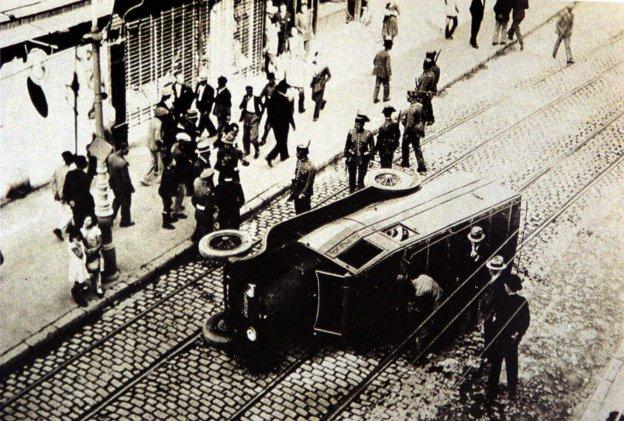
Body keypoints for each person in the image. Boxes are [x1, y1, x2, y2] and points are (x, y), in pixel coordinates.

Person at [485, 274, 530, 400]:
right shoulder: (522, 302)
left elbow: (494, 320)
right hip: (511, 340)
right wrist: (518, 335)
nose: (504, 286)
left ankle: (492, 389)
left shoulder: (502, 300)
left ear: (509, 288)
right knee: (512, 364)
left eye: (505, 285)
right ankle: (512, 389)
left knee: (496, 364)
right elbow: (525, 322)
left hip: (500, 339)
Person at [266, 81, 296, 166]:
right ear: (282, 89)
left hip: (275, 124)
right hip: (284, 124)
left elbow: (269, 112)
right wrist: (293, 124)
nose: (287, 90)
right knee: (282, 141)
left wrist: (270, 123)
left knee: (280, 140)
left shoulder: (273, 97)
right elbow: (289, 114)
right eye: (286, 88)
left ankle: (284, 155)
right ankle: (270, 156)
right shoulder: (284, 99)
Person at [345, 113, 375, 193]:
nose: (356, 126)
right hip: (352, 158)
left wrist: (371, 160)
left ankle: (361, 191)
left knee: (362, 176)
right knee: (352, 176)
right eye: (356, 123)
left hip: (363, 158)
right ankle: (352, 191)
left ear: (362, 125)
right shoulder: (351, 133)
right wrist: (347, 157)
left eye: (358, 124)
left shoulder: (368, 134)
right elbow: (347, 146)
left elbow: (372, 148)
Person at [63, 155, 95, 230]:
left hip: (75, 203)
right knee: (89, 221)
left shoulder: (69, 174)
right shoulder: (85, 176)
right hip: (86, 201)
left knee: (78, 222)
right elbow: (92, 170)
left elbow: (65, 190)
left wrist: (70, 200)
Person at [107, 147, 135, 227]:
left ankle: (111, 218)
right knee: (126, 203)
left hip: (114, 183)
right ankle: (125, 221)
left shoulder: (111, 157)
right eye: (127, 150)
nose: (128, 152)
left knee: (117, 201)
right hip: (123, 186)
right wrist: (131, 187)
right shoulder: (122, 163)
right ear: (122, 150)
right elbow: (125, 178)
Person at [399, 91, 427, 173]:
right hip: (418, 130)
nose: (407, 98)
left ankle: (405, 163)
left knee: (404, 145)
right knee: (417, 148)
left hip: (411, 132)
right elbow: (424, 118)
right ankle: (421, 166)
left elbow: (409, 124)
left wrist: (405, 133)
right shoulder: (420, 106)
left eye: (408, 97)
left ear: (411, 98)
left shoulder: (410, 109)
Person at [141, 106, 167, 186]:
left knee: (153, 161)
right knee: (159, 162)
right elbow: (157, 138)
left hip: (150, 144)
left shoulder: (152, 121)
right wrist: (163, 144)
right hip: (156, 146)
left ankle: (145, 177)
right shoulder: (159, 123)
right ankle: (157, 178)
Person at [52, 151, 75, 241]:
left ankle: (70, 227)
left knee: (67, 211)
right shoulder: (70, 171)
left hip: (61, 194)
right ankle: (58, 229)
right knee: (70, 213)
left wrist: (55, 192)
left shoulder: (59, 169)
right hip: (68, 195)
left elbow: (53, 181)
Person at [289, 142, 316, 214]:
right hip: (297, 190)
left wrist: (303, 193)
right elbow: (297, 173)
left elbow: (309, 182)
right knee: (297, 209)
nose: (297, 155)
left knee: (305, 210)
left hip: (305, 192)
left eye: (299, 153)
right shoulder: (299, 161)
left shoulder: (311, 167)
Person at [191, 168, 216, 243]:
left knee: (199, 225)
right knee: (207, 229)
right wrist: (214, 210)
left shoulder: (197, 183)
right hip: (205, 214)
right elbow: (209, 206)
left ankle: (194, 238)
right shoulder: (207, 191)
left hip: (198, 211)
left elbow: (193, 200)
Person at [81, 216, 104, 298]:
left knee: (97, 270)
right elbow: (81, 242)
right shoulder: (82, 231)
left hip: (95, 252)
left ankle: (99, 286)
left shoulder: (96, 230)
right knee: (84, 268)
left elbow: (100, 243)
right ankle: (87, 284)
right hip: (86, 253)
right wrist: (85, 250)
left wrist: (94, 250)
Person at [239, 85, 264, 158]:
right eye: (247, 91)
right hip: (246, 116)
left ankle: (257, 151)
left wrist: (259, 116)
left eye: (250, 91)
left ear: (252, 91)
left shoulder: (256, 98)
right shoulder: (245, 97)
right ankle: (247, 150)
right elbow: (240, 106)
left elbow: (262, 107)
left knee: (253, 138)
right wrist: (244, 101)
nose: (248, 92)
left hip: (254, 116)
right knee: (245, 136)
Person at [156, 86, 178, 163]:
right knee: (167, 152)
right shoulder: (160, 107)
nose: (174, 97)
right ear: (168, 97)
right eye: (173, 95)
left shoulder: (170, 105)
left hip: (171, 132)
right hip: (166, 134)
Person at [68, 229, 89, 306]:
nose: (77, 239)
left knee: (81, 280)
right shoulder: (72, 245)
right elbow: (79, 255)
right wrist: (78, 245)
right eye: (75, 237)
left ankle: (75, 290)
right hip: (76, 265)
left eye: (78, 237)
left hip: (81, 263)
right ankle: (78, 298)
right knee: (79, 280)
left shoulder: (79, 241)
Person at [195, 69, 217, 137]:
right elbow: (196, 94)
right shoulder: (198, 86)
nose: (201, 82)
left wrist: (207, 110)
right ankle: (212, 131)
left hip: (206, 107)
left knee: (204, 118)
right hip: (200, 105)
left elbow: (210, 101)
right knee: (205, 119)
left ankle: (199, 131)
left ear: (205, 81)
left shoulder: (210, 89)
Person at [158, 157, 179, 230]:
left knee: (169, 204)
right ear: (170, 163)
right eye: (172, 160)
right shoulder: (168, 172)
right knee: (166, 206)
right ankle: (165, 223)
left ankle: (169, 218)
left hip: (166, 191)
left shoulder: (168, 169)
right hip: (165, 192)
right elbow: (169, 185)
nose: (174, 160)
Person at [310, 53, 332, 122]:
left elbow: (329, 76)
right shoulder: (315, 64)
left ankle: (316, 116)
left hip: (321, 84)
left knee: (317, 101)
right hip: (315, 83)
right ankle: (322, 101)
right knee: (313, 98)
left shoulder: (325, 67)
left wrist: (324, 81)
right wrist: (312, 82)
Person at [416, 59, 437, 125]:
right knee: (427, 106)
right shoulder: (429, 73)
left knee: (425, 106)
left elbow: (423, 86)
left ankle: (428, 119)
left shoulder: (427, 75)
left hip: (424, 93)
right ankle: (429, 119)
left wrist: (419, 93)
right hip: (426, 92)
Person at [373, 38, 393, 103]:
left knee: (377, 85)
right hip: (384, 73)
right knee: (386, 85)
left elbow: (374, 61)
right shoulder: (387, 55)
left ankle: (375, 97)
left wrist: (377, 67)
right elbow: (388, 66)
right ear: (389, 46)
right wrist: (389, 74)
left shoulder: (379, 52)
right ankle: (385, 97)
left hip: (378, 71)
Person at [260, 72, 278, 145]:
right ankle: (264, 139)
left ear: (274, 79)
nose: (270, 81)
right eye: (269, 80)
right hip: (269, 108)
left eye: (272, 79)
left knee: (270, 125)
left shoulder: (277, 87)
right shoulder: (267, 86)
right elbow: (261, 95)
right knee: (269, 125)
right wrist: (262, 104)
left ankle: (264, 139)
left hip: (276, 109)